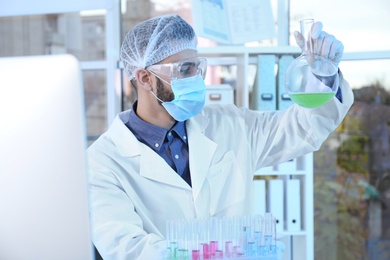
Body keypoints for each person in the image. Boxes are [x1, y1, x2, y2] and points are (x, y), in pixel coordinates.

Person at [87, 14, 354, 259]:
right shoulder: (103, 161)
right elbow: (126, 247)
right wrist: (210, 255)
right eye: (184, 69)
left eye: (197, 67)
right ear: (145, 78)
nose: (197, 78)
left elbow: (302, 128)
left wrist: (324, 75)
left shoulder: (231, 124)